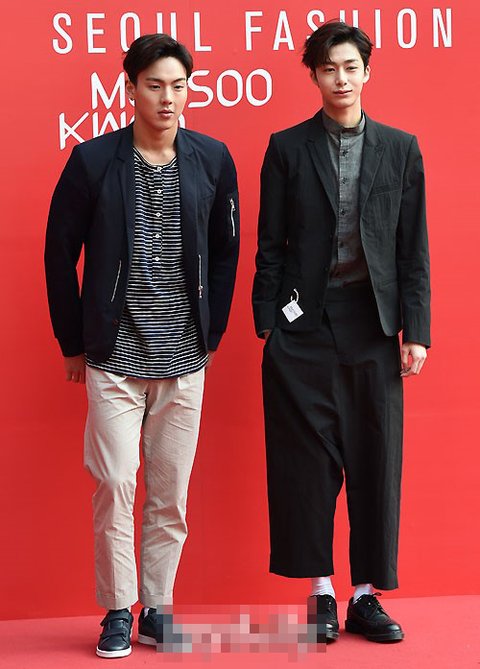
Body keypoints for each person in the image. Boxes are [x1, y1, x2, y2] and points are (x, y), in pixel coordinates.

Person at [45, 33, 239, 658]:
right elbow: (58, 253)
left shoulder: (212, 159)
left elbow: (227, 250)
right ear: (131, 89)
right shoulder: (93, 161)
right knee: (114, 483)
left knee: (170, 493)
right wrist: (71, 342)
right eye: (154, 85)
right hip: (115, 356)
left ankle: (156, 607)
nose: (168, 98)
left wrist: (211, 333)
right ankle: (116, 609)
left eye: (178, 85)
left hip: (184, 358)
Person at [252, 20, 430, 643]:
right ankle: (322, 592)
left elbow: (413, 249)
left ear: (367, 72)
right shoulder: (287, 147)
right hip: (303, 322)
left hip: (373, 323)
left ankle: (365, 595)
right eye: (329, 68)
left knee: (375, 456)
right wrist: (269, 323)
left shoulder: (401, 149)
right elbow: (269, 244)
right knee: (305, 464)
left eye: (351, 67)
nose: (341, 79)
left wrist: (416, 331)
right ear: (314, 76)